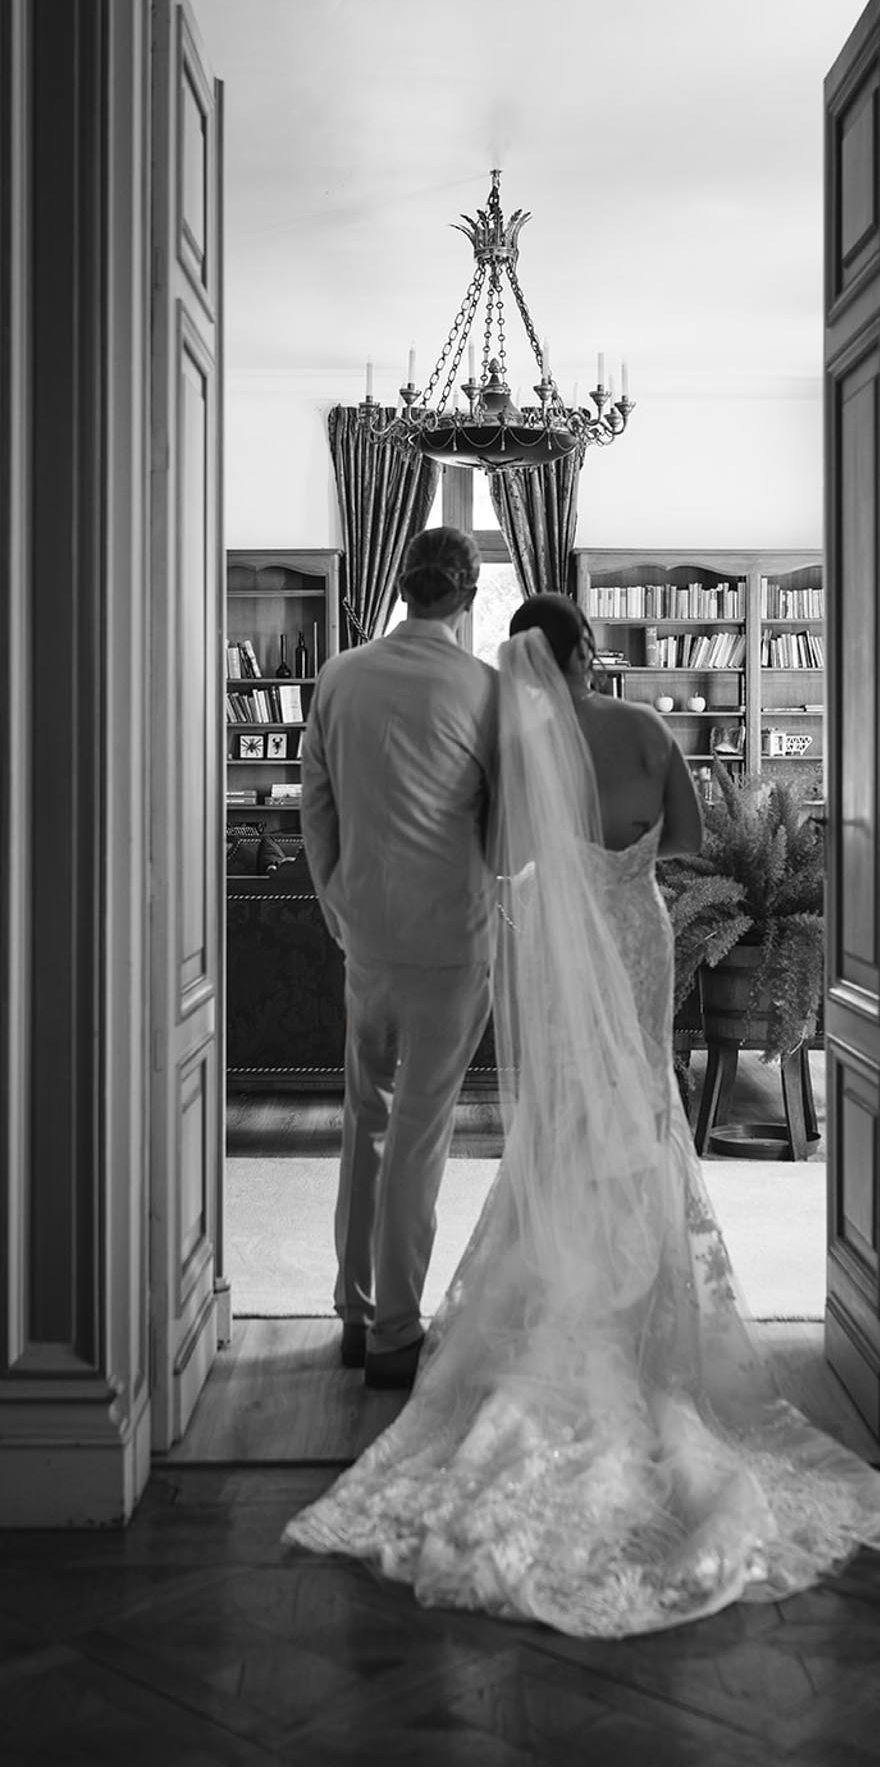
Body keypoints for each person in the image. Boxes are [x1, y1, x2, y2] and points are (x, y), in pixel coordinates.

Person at [285, 590, 880, 1634]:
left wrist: (564, 873)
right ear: (587, 650)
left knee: (562, 1108)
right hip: (636, 934)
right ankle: (645, 1303)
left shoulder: (525, 747)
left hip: (559, 952)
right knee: (642, 1098)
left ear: (524, 662)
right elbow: (687, 837)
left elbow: (504, 862)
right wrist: (624, 862)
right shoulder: (644, 728)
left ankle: (551, 1288)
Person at [299, 525, 497, 1391]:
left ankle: (352, 1309)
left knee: (364, 1117)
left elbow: (316, 800)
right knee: (420, 1131)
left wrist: (336, 898)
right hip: (451, 941)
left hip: (367, 935)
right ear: (468, 593)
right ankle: (393, 1332)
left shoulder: (341, 674)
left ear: (407, 587)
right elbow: (507, 823)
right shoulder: (484, 690)